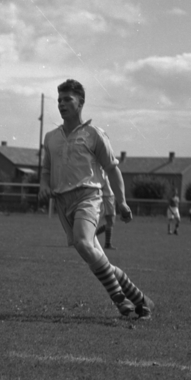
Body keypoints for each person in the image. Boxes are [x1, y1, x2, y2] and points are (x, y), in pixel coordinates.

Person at [39, 79, 153, 320]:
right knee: (95, 256)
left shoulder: (94, 134)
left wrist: (121, 202)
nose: (61, 104)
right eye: (59, 100)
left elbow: (113, 170)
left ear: (81, 103)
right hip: (62, 203)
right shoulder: (50, 137)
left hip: (88, 197)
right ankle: (141, 299)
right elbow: (46, 169)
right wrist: (43, 185)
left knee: (82, 242)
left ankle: (120, 299)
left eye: (67, 99)